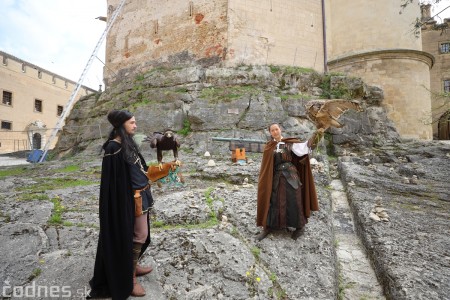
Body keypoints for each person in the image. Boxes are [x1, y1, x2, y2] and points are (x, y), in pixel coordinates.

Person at [88, 110, 153, 299]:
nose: (135, 125)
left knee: (141, 235)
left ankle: (132, 266)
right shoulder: (113, 148)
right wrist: (124, 203)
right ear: (121, 125)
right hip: (129, 201)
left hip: (142, 195)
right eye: (132, 123)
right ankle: (129, 278)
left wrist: (159, 171)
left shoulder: (128, 143)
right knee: (139, 235)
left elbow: (139, 168)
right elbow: (113, 185)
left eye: (135, 122)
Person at [256, 123, 322, 241]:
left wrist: (318, 134)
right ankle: (269, 226)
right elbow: (267, 166)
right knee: (273, 200)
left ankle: (299, 227)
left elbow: (307, 147)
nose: (275, 132)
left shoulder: (289, 143)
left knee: (294, 199)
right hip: (276, 177)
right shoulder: (269, 146)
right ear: (270, 133)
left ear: (280, 129)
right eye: (272, 130)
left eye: (276, 129)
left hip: (291, 176)